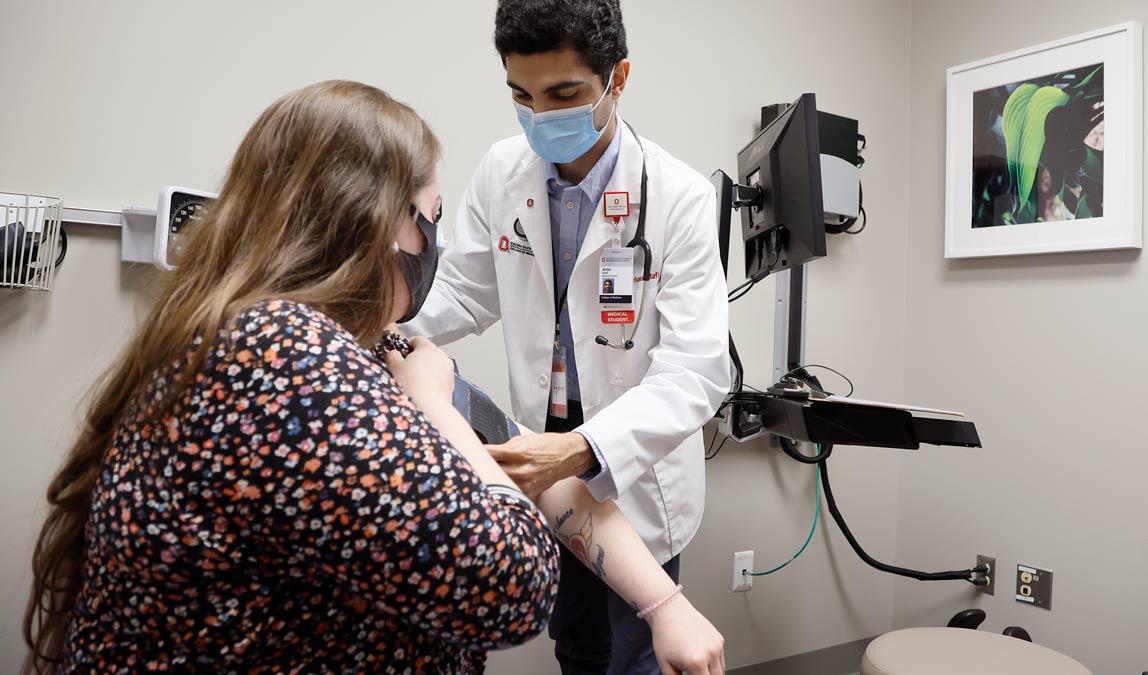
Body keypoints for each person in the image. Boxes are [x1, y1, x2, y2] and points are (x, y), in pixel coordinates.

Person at [23, 80, 722, 675]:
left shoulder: (325, 340)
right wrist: (437, 406)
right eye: (430, 222)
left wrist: (667, 604)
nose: (435, 248)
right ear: (376, 224)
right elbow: (510, 585)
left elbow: (531, 466)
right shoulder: (288, 359)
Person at [401, 1, 730, 672]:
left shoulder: (679, 197)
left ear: (619, 78)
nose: (540, 117)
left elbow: (696, 371)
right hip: (542, 455)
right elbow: (463, 290)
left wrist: (582, 448)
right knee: (577, 643)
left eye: (564, 94)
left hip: (627, 462)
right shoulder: (503, 171)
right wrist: (371, 326)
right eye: (521, 95)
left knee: (641, 650)